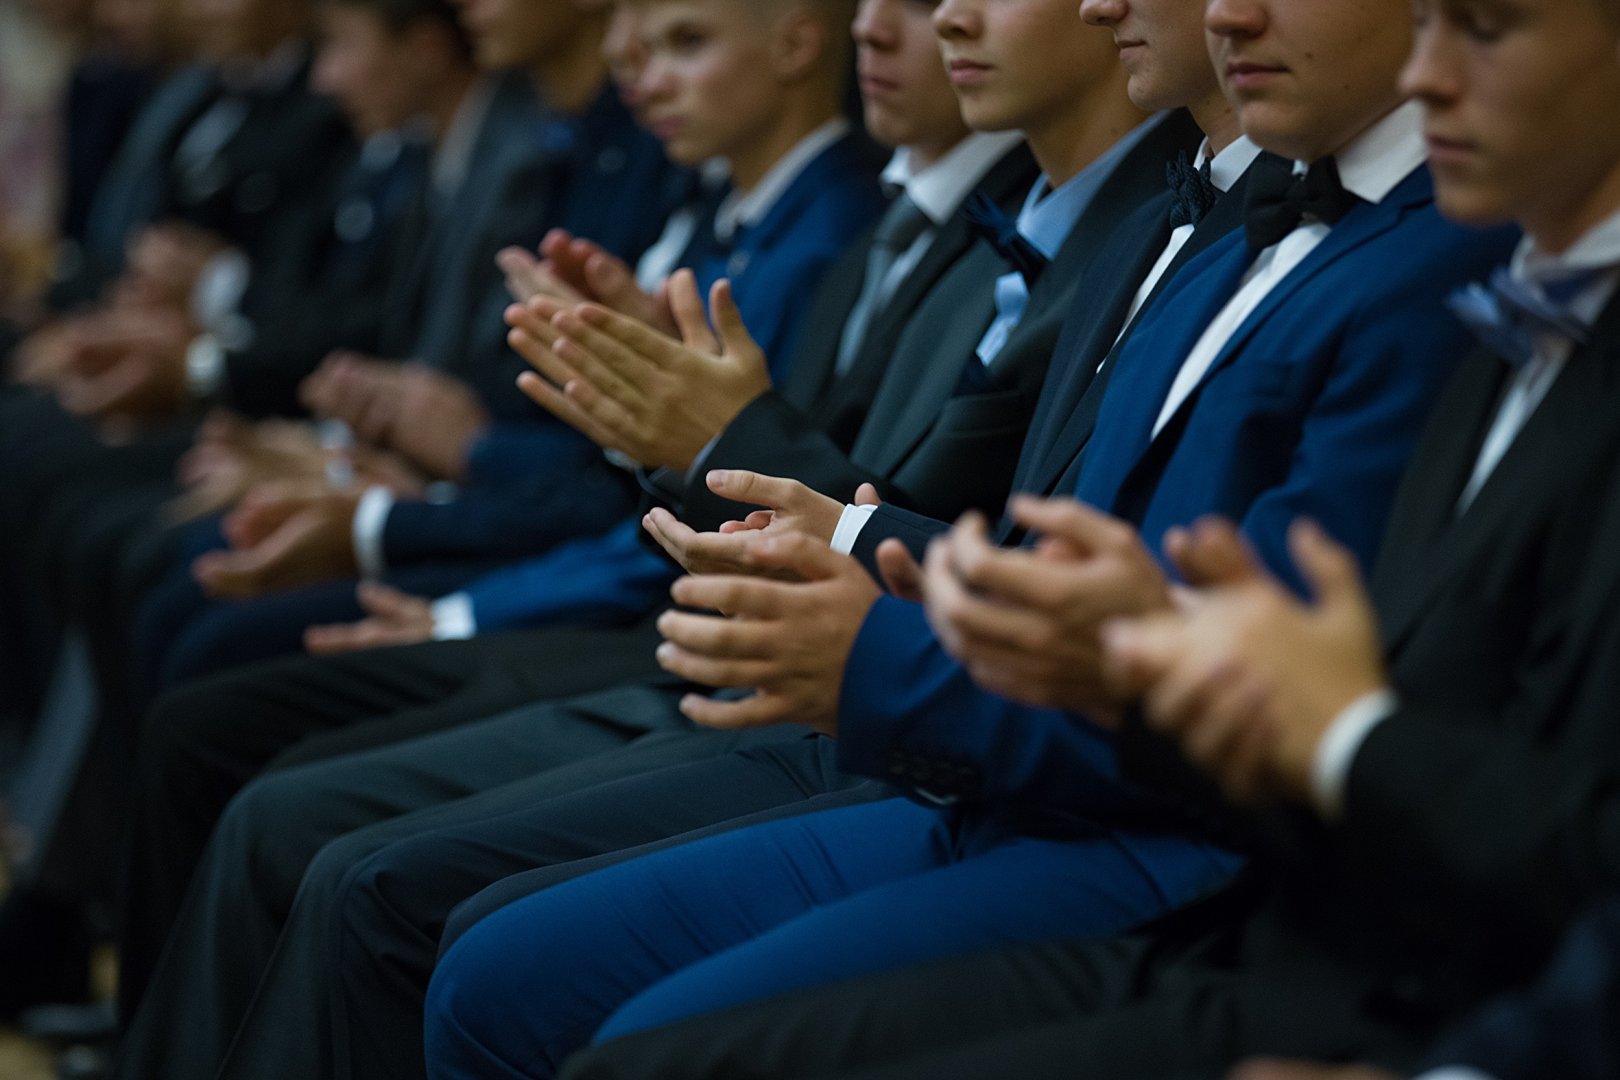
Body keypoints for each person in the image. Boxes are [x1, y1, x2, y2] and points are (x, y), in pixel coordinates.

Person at [418, 0, 1517, 1072]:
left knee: (552, 998)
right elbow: (1051, 559)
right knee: (485, 963)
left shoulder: (1420, 260)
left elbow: (1255, 677)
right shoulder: (1202, 218)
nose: (907, 24)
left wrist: (870, 640)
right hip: (991, 752)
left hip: (1157, 834)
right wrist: (850, 535)